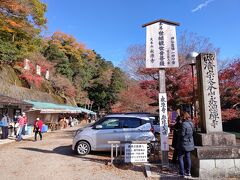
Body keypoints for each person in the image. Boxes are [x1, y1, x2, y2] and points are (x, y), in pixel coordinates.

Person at [177, 112, 195, 177]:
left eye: (181, 117)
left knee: (180, 157)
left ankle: (182, 172)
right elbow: (193, 132)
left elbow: (182, 134)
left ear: (183, 117)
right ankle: (188, 172)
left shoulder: (184, 124)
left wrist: (178, 132)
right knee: (188, 157)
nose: (181, 118)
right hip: (190, 142)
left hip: (183, 143)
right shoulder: (191, 123)